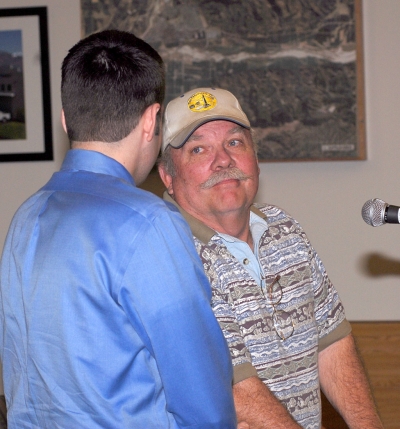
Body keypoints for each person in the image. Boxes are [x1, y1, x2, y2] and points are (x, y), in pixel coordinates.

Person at [0, 35, 237, 429]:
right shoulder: (149, 222)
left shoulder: (26, 218)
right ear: (150, 121)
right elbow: (202, 399)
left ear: (65, 118)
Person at [158, 87, 384, 429]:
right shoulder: (167, 252)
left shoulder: (284, 229)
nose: (223, 160)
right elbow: (234, 389)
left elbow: (332, 341)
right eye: (199, 149)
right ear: (168, 178)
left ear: (256, 158)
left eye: (234, 143)